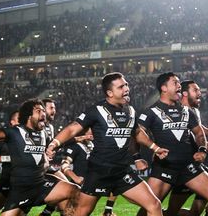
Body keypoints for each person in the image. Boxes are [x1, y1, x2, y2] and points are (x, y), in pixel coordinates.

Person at [45, 72, 166, 216]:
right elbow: (73, 128)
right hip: (99, 173)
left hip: (122, 172)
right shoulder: (96, 110)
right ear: (110, 93)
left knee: (154, 205)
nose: (126, 88)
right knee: (80, 213)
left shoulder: (131, 111)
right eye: (121, 87)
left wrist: (154, 148)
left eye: (126, 84)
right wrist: (54, 144)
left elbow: (137, 133)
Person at [138, 73, 208, 216]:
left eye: (179, 83)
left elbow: (198, 132)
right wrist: (153, 148)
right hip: (165, 166)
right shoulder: (151, 112)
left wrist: (202, 149)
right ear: (163, 88)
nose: (179, 85)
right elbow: (138, 133)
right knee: (150, 206)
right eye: (175, 82)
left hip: (188, 166)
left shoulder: (187, 111)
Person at [0, 99, 80, 216]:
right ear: (28, 116)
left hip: (39, 184)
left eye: (43, 110)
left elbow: (44, 152)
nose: (44, 114)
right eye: (39, 111)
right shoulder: (13, 133)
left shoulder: (44, 134)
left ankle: (49, 212)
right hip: (18, 187)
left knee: (75, 191)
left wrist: (47, 155)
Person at [164, 80, 208, 216]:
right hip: (184, 167)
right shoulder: (179, 113)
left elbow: (198, 130)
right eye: (196, 90)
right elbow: (194, 140)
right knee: (173, 211)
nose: (200, 93)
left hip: (195, 166)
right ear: (185, 93)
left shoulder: (194, 111)